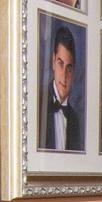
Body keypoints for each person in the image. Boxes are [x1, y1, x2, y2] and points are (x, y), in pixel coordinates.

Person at [40, 25, 82, 153]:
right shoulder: (37, 104)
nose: (64, 76)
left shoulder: (75, 121)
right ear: (53, 61)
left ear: (73, 72)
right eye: (60, 63)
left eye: (69, 68)